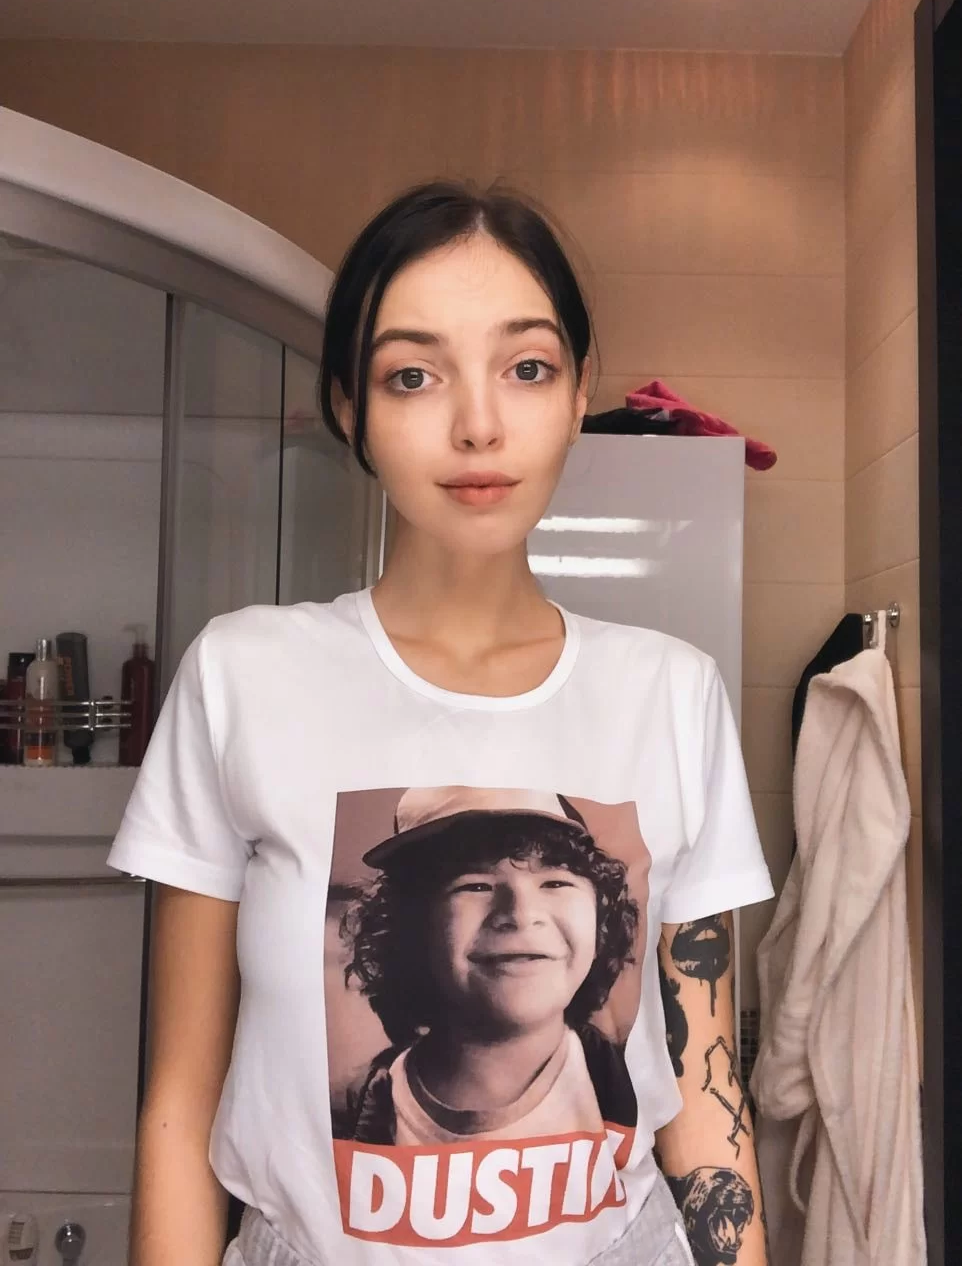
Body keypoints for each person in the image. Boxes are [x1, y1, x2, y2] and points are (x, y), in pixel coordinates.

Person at [107, 180, 774, 1266]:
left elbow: (704, 1095)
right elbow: (181, 1106)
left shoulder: (673, 693)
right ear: (349, 408)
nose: (477, 423)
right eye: (412, 374)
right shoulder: (242, 677)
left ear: (579, 393)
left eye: (526, 368)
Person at [335, 786, 640, 1145]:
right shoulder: (355, 1111)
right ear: (411, 925)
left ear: (601, 918)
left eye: (555, 882)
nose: (520, 915)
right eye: (476, 886)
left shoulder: (634, 1084)